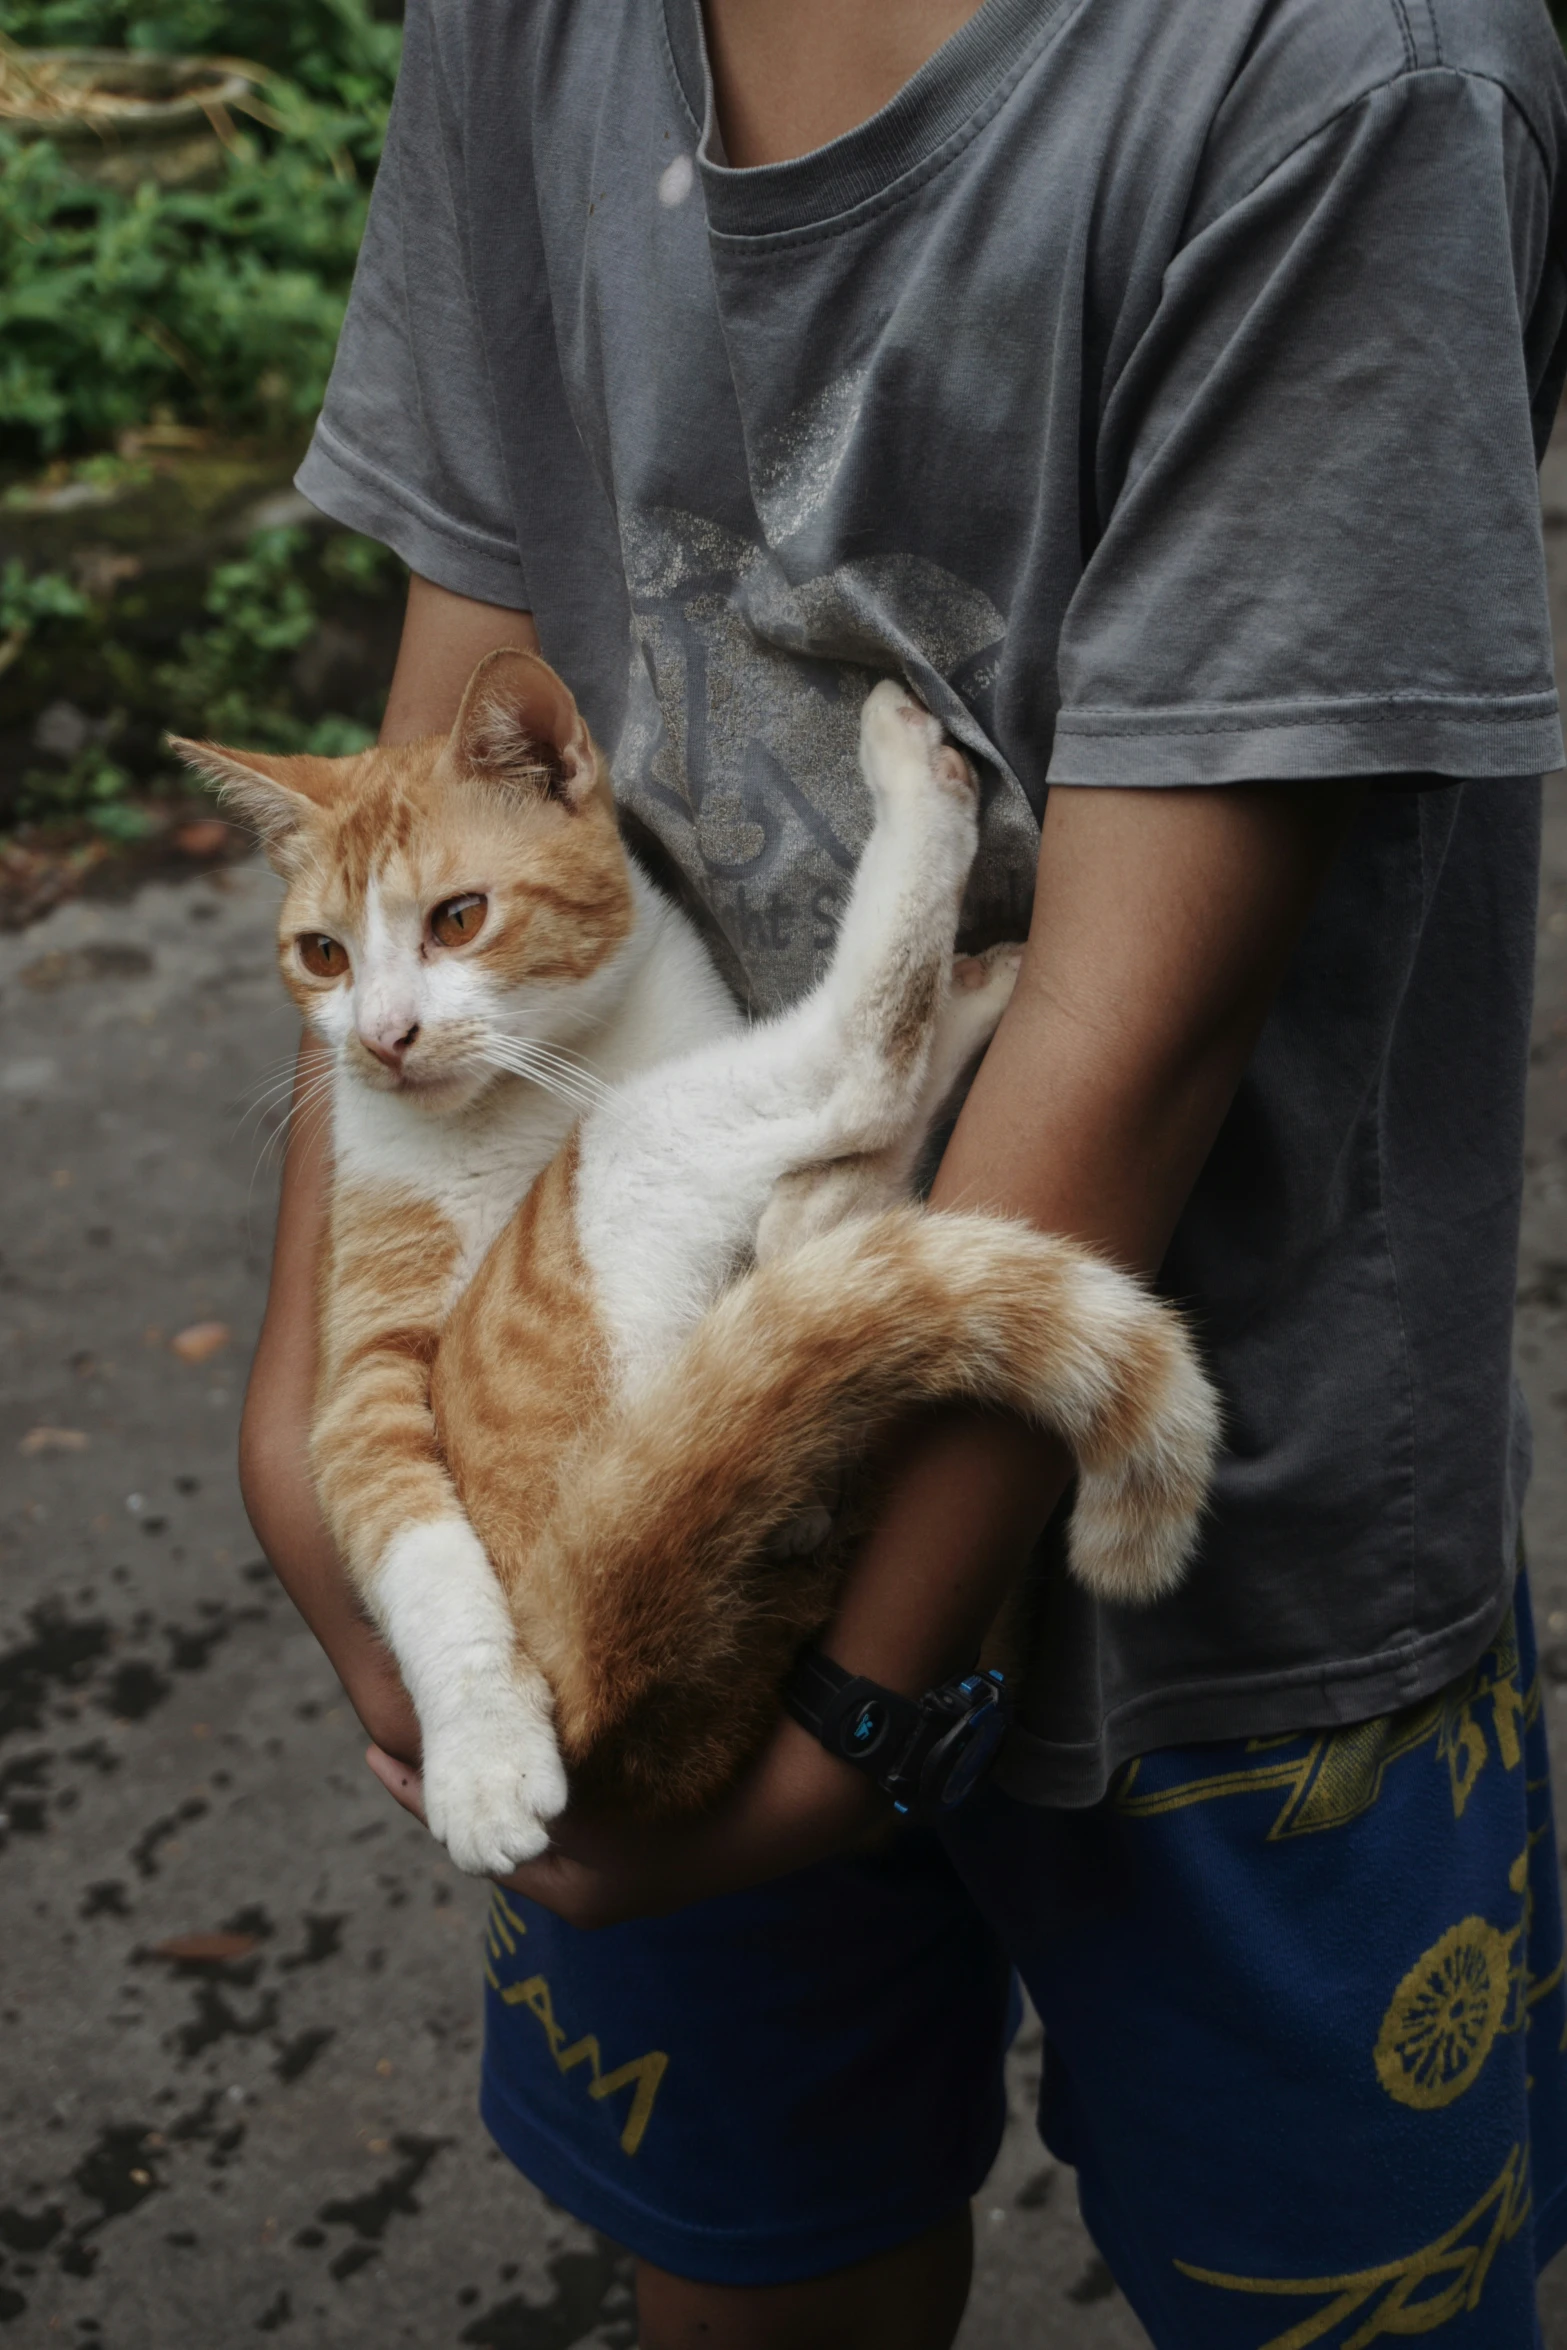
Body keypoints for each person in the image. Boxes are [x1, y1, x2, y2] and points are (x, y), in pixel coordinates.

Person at [242, 1, 1567, 2342]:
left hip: (1231, 1570)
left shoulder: (1352, 71)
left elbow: (1137, 1025)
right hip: (601, 1486)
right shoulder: (523, 37)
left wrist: (861, 1702)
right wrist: (315, 1398)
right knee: (752, 2255)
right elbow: (440, 730)